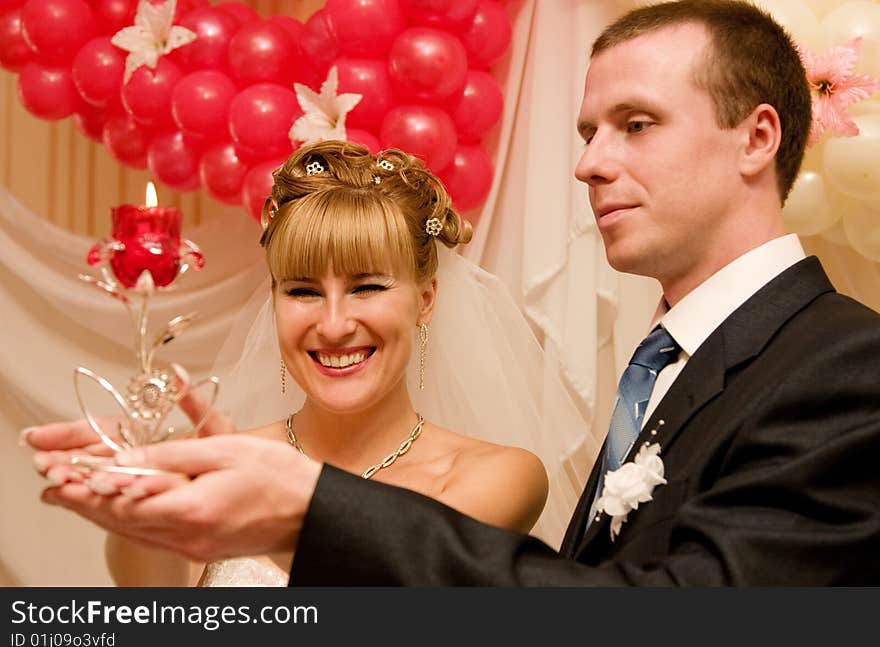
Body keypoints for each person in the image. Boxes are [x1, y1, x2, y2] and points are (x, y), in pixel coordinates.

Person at [29, 0, 880, 585]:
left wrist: (305, 507)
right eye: (587, 131)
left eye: (636, 123)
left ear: (757, 137)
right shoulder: (667, 367)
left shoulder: (844, 366)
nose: (588, 161)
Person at [28, 140, 596, 586]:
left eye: (367, 287)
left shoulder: (497, 477)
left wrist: (263, 509)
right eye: (301, 292)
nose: (331, 324)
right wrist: (144, 510)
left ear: (425, 300)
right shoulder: (218, 462)